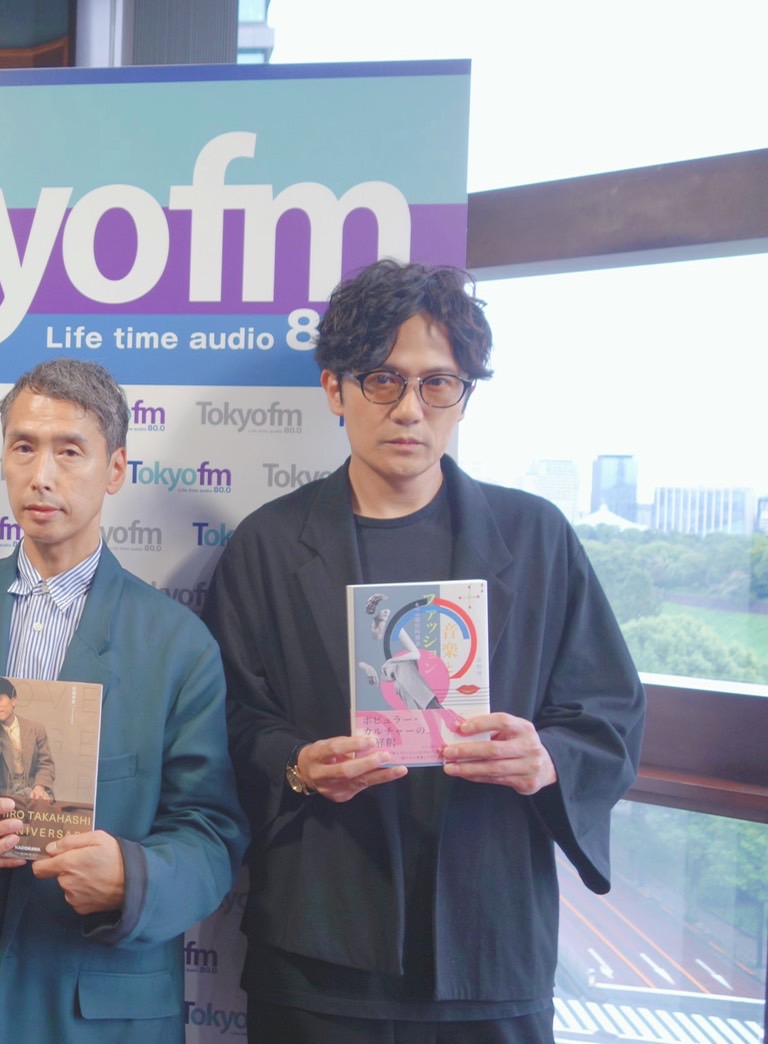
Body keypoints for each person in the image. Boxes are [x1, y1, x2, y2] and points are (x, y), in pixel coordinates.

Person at [201, 260, 645, 1043]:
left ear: (464, 395)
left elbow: (608, 714)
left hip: (490, 945)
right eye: (383, 380)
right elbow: (223, 722)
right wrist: (297, 765)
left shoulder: (536, 538)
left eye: (438, 383)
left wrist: (546, 760)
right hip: (319, 946)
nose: (410, 409)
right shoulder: (267, 545)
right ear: (335, 388)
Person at [0, 358, 247, 1043]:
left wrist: (133, 877)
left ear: (115, 469)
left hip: (104, 1004)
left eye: (69, 451)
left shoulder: (177, 643)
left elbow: (211, 830)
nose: (41, 475)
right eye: (24, 448)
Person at [0, 675, 55, 800]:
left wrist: (39, 787)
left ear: (13, 700)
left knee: (44, 806)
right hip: (7, 797)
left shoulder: (36, 729)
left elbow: (46, 764)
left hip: (34, 790)